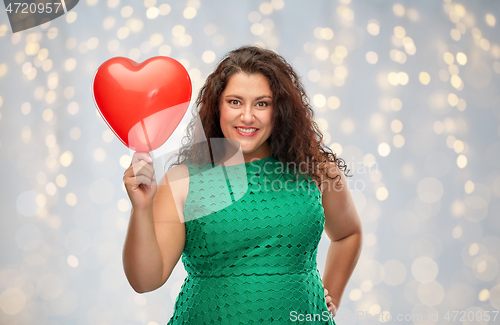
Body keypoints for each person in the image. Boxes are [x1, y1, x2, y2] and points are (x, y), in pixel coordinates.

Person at [122, 45, 362, 324]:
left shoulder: (317, 171)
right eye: (235, 102)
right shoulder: (183, 181)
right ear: (217, 106)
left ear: (280, 110)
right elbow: (145, 280)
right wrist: (140, 209)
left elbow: (348, 235)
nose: (247, 116)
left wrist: (326, 299)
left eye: (262, 103)